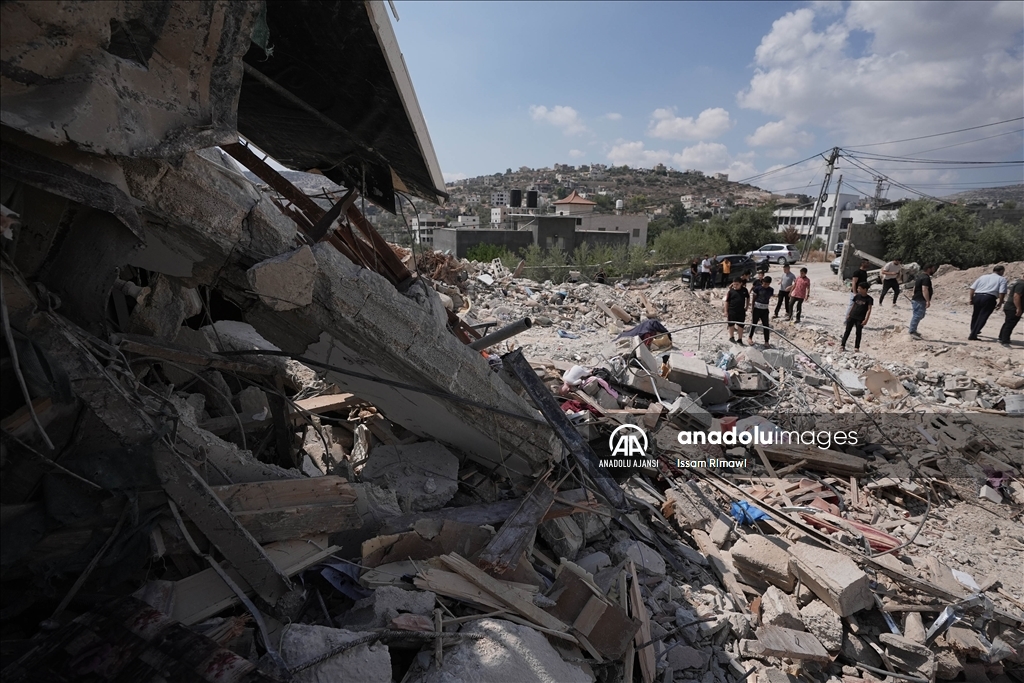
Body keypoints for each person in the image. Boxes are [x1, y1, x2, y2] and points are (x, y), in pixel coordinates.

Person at [967, 265, 1008, 340]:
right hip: (989, 298)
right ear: (1001, 271)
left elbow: (972, 288)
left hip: (978, 296)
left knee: (975, 315)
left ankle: (973, 330)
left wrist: (971, 298)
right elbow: (1002, 292)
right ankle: (973, 334)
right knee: (983, 316)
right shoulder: (1002, 279)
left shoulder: (983, 277)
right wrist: (1000, 302)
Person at [842, 281, 873, 352]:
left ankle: (856, 347)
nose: (858, 289)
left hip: (860, 318)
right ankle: (842, 345)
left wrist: (866, 320)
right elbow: (853, 305)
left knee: (858, 333)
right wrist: (849, 314)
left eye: (859, 288)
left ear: (865, 289)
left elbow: (869, 310)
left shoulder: (869, 299)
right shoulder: (857, 296)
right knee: (847, 331)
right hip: (852, 316)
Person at [909, 264, 936, 338]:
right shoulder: (925, 278)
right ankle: (912, 331)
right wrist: (927, 301)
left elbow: (915, 287)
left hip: (917, 299)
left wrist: (913, 295)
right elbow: (924, 289)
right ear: (928, 269)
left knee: (920, 315)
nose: (934, 270)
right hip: (920, 299)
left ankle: (913, 330)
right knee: (917, 315)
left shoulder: (920, 276)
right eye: (933, 268)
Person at [998, 274, 1024, 348]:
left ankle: (1002, 337)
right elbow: (1016, 296)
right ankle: (1005, 341)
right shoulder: (1021, 284)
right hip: (1012, 307)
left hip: (1011, 307)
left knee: (1008, 323)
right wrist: (1018, 308)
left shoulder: (1020, 283)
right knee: (1010, 324)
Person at [749, 275, 774, 346]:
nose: (765, 285)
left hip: (765, 309)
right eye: (764, 283)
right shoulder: (757, 289)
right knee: (754, 324)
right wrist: (752, 308)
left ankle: (766, 341)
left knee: (766, 325)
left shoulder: (771, 290)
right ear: (762, 282)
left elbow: (768, 298)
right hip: (757, 308)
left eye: (767, 284)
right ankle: (750, 337)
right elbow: (753, 299)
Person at [724, 278, 749, 343]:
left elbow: (748, 297)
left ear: (741, 283)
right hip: (732, 310)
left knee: (741, 325)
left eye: (737, 284)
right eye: (734, 284)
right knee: (731, 324)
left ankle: (740, 339)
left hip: (741, 311)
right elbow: (727, 301)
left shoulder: (744, 290)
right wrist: (726, 311)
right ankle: (731, 337)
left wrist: (747, 306)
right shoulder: (731, 291)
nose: (735, 286)